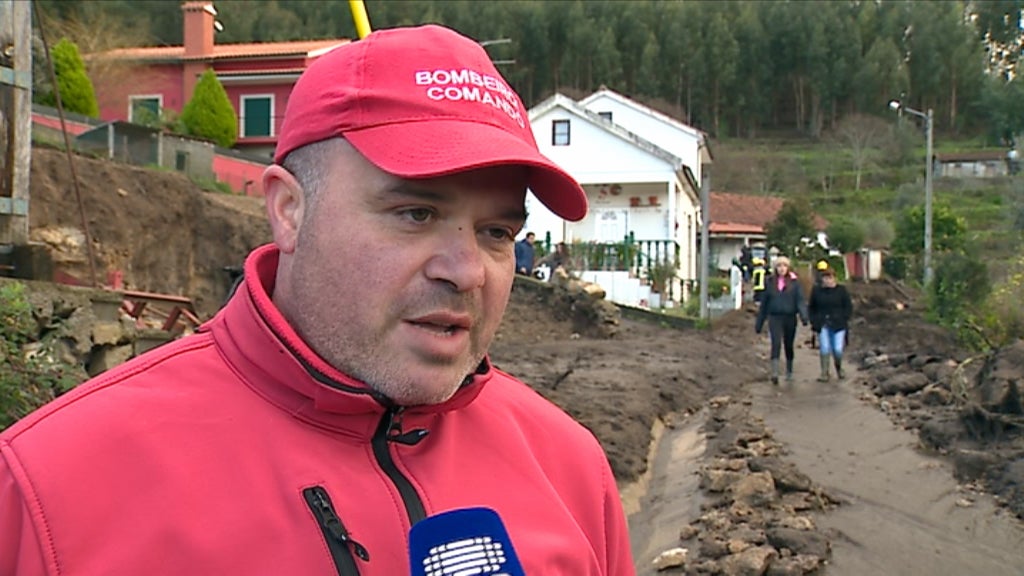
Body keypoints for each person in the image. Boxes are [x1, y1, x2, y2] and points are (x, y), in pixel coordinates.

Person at [0, 25, 633, 575]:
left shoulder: (571, 470)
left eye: (497, 232)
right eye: (415, 213)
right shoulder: (51, 490)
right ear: (289, 210)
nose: (467, 271)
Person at [755, 256, 809, 384]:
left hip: (790, 317)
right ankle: (774, 372)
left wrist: (804, 316)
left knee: (788, 344)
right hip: (775, 317)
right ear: (776, 268)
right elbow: (764, 304)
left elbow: (800, 300)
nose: (782, 269)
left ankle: (789, 371)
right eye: (779, 266)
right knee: (776, 343)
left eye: (784, 266)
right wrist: (760, 322)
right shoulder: (770, 282)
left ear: (788, 267)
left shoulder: (795, 284)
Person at [808, 268, 853, 381]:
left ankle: (839, 368)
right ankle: (824, 373)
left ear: (834, 278)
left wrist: (844, 318)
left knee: (837, 349)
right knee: (825, 348)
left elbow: (848, 306)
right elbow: (811, 307)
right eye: (825, 278)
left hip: (839, 325)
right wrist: (814, 321)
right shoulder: (817, 291)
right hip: (823, 323)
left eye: (830, 278)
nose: (828, 280)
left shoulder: (841, 290)